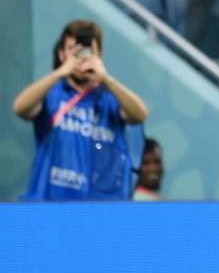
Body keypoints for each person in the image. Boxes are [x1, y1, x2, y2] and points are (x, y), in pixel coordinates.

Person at [12, 20, 149, 200]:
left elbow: (139, 114)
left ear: (99, 54)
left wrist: (106, 78)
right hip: (49, 205)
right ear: (62, 54)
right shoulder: (51, 95)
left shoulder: (110, 99)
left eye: (87, 51)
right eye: (73, 50)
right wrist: (60, 72)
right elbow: (20, 107)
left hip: (100, 209)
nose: (81, 57)